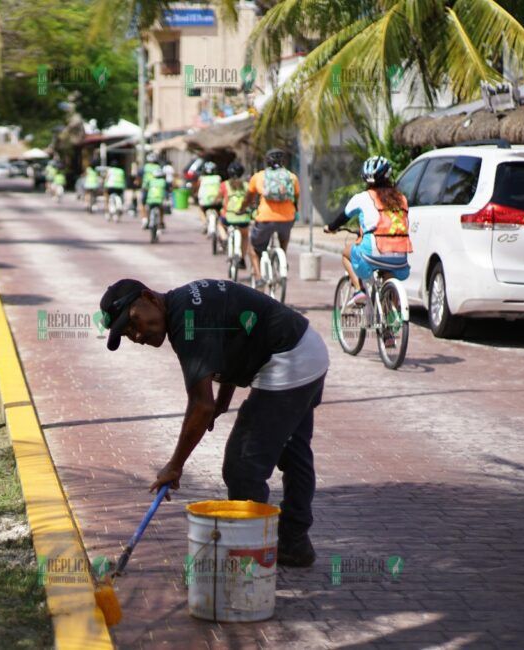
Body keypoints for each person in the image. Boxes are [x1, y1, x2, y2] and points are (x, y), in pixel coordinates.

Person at [99, 278, 329, 567]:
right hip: (306, 346)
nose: (136, 335)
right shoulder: (186, 304)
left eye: (133, 322)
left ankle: (254, 560)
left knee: (242, 466)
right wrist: (223, 400)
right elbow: (231, 344)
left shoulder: (187, 322)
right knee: (294, 452)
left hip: (288, 359)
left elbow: (200, 405)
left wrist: (174, 465)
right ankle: (294, 544)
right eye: (127, 333)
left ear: (149, 298)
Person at [324, 155, 412, 305]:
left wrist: (330, 228)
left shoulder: (363, 197)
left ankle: (359, 291)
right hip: (400, 257)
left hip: (373, 252)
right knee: (387, 270)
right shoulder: (401, 198)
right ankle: (392, 310)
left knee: (346, 253)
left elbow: (343, 218)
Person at [245, 149, 299, 287]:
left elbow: (249, 197)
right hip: (287, 217)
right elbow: (296, 196)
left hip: (265, 218)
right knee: (284, 236)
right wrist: (295, 211)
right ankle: (283, 260)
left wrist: (242, 208)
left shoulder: (259, 176)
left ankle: (258, 278)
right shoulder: (291, 176)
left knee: (253, 248)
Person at [220, 161, 252, 264]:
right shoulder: (247, 185)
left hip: (229, 217)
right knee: (245, 234)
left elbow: (219, 197)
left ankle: (224, 238)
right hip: (243, 217)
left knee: (220, 224)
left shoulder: (224, 185)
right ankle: (242, 258)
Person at [196, 161, 223, 235]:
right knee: (220, 211)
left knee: (200, 210)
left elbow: (198, 188)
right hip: (217, 200)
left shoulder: (202, 178)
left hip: (205, 201)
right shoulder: (218, 178)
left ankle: (204, 223)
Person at [138, 152, 163, 221]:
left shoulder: (145, 167)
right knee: (160, 204)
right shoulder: (158, 167)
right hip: (157, 187)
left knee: (143, 203)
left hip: (146, 187)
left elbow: (139, 176)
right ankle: (161, 221)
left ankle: (144, 219)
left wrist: (140, 184)